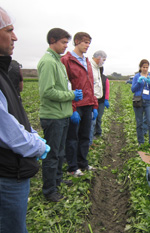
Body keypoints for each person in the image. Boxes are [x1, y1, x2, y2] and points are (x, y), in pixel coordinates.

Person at [0, 7, 49, 232]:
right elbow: (8, 131)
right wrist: (37, 144)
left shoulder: (3, 72)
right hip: (7, 172)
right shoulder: (48, 63)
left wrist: (32, 133)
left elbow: (12, 115)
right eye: (9, 30)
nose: (15, 36)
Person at [38, 28, 83, 202]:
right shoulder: (48, 62)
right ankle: (49, 190)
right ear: (52, 41)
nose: (66, 46)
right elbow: (47, 92)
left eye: (66, 42)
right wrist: (71, 96)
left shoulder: (57, 61)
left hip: (62, 115)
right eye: (63, 42)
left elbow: (63, 87)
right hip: (53, 117)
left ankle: (57, 180)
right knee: (52, 154)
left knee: (59, 152)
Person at [61, 32, 98, 176]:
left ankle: (83, 163)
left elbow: (90, 85)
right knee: (72, 138)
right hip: (76, 105)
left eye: (89, 43)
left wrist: (94, 105)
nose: (87, 45)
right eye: (85, 42)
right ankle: (72, 167)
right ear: (76, 42)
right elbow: (66, 85)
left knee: (84, 137)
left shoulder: (87, 61)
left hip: (88, 104)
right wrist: (72, 107)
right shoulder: (67, 60)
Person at [131, 59, 150, 145]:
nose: (145, 69)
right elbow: (133, 89)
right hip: (139, 101)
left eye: (146, 67)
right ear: (140, 67)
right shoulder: (136, 76)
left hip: (149, 102)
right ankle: (141, 142)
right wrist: (138, 83)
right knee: (139, 123)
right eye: (143, 67)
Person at [89, 50, 108, 145]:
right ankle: (89, 142)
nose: (103, 62)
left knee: (94, 121)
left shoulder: (97, 69)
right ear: (99, 57)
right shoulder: (90, 67)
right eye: (103, 60)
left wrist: (106, 99)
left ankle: (90, 142)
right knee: (91, 123)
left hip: (97, 101)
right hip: (90, 101)